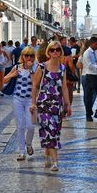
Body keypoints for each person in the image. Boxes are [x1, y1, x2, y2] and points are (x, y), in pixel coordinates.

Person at [32, 42, 71, 172]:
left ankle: (48, 153)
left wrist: (68, 104)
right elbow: (35, 86)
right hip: (44, 104)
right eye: (52, 50)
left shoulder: (63, 68)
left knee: (55, 132)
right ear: (48, 52)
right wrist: (33, 103)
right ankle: (55, 162)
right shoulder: (42, 67)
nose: (55, 52)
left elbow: (64, 87)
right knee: (51, 130)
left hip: (57, 106)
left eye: (57, 50)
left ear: (60, 52)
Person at [3, 46, 36, 161]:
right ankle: (22, 152)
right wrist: (12, 75)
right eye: (26, 55)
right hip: (17, 99)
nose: (29, 58)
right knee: (20, 125)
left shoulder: (36, 69)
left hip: (30, 100)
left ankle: (28, 143)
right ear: (22, 56)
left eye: (31, 55)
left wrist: (31, 70)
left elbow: (36, 84)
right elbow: (3, 80)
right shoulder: (16, 67)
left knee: (31, 126)